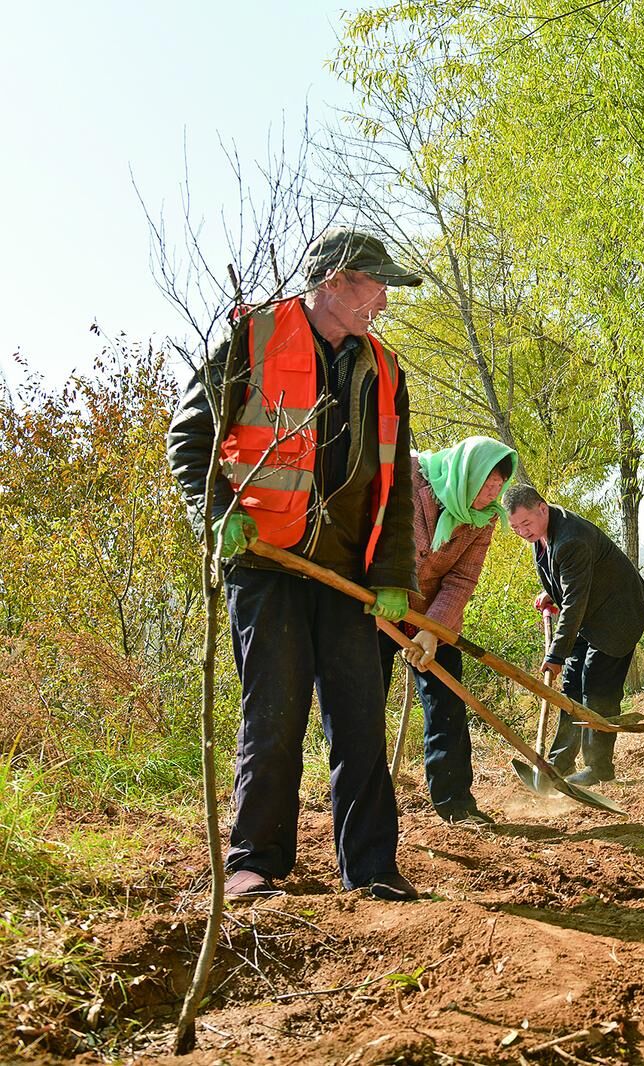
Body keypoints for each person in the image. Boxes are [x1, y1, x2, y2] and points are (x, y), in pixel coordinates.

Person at [167, 227, 424, 901]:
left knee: (360, 720)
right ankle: (254, 864)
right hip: (267, 563)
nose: (384, 304)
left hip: (348, 575)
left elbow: (394, 488)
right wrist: (221, 516)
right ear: (335, 283)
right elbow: (190, 440)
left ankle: (371, 870)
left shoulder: (386, 371)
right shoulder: (251, 340)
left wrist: (395, 577)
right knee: (274, 716)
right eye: (376, 288)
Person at [377, 436, 517, 828]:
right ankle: (370, 806)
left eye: (498, 487)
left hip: (430, 616)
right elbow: (370, 528)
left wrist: (433, 631)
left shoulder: (485, 517)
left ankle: (456, 804)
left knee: (448, 705)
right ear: (467, 472)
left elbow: (462, 578)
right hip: (374, 605)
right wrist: (377, 589)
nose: (493, 494)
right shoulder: (406, 476)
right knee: (365, 706)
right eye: (488, 483)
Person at [505, 486, 644, 785]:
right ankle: (559, 764)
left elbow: (574, 602)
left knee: (596, 690)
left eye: (526, 523)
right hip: (589, 616)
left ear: (542, 509)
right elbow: (570, 579)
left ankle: (599, 768)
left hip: (616, 618)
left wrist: (556, 653)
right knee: (571, 689)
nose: (522, 532)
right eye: (515, 527)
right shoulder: (543, 534)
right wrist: (551, 591)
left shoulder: (572, 539)